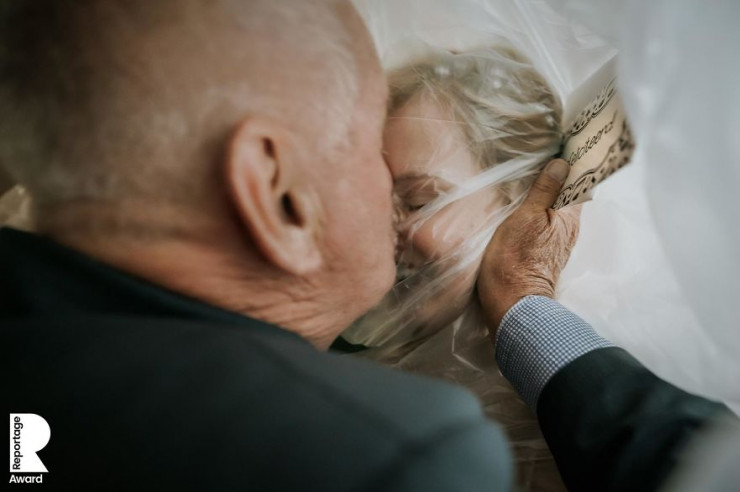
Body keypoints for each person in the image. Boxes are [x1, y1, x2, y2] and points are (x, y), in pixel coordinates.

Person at [0, 2, 733, 492]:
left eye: (417, 195)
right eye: (361, 157)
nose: (386, 217)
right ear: (275, 191)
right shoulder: (386, 453)